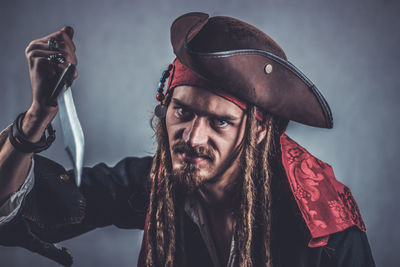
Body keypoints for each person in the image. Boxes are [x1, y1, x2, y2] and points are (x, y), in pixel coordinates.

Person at [0, 12, 375, 267]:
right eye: (183, 112)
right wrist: (38, 116)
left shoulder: (323, 230)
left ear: (259, 130)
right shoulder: (157, 182)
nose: (193, 137)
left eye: (220, 122)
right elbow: (27, 211)